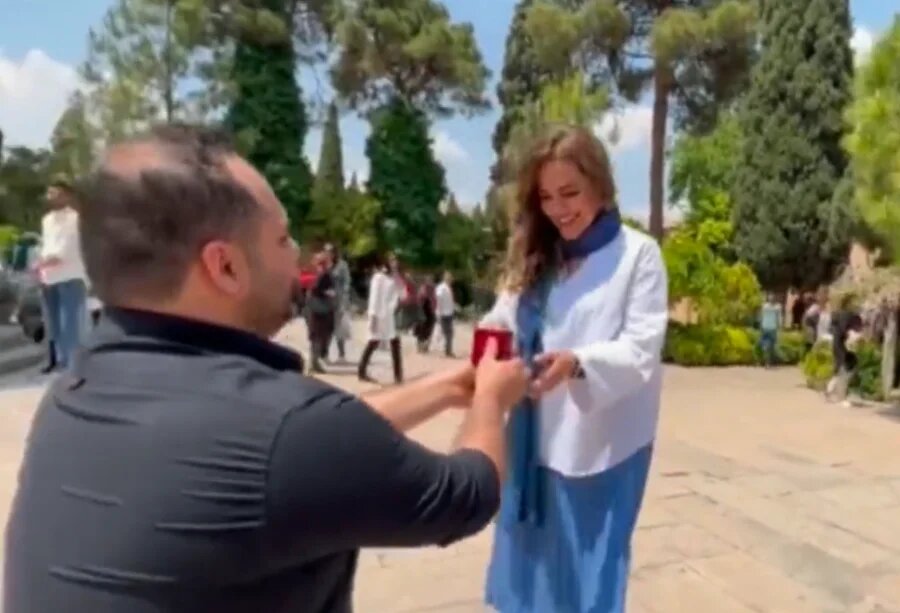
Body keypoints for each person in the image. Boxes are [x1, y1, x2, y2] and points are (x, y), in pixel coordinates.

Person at [5, 124, 531, 613]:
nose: (297, 253)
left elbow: (306, 442)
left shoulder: (76, 390)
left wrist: (444, 387)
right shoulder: (290, 429)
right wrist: (491, 398)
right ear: (225, 266)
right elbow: (468, 494)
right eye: (282, 239)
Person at [480, 125, 668, 613]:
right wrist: (489, 346)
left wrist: (577, 363)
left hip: (604, 444)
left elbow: (642, 347)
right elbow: (503, 316)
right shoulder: (540, 258)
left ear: (600, 186)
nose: (559, 209)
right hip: (534, 439)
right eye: (546, 196)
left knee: (591, 573)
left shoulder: (638, 255)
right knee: (532, 571)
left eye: (570, 193)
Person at [38, 178, 88, 370]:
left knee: (71, 326)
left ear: (67, 195)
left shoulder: (75, 219)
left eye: (57, 193)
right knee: (55, 327)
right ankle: (63, 365)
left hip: (70, 276)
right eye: (50, 193)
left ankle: (75, 367)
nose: (52, 197)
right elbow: (46, 246)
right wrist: (41, 268)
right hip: (49, 278)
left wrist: (45, 262)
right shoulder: (47, 220)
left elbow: (64, 249)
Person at [359, 255, 403, 383]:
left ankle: (398, 376)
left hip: (390, 317)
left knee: (395, 343)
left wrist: (397, 277)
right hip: (379, 315)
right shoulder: (378, 277)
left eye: (396, 260)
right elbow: (374, 298)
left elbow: (403, 294)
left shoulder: (394, 278)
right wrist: (373, 316)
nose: (394, 263)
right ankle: (361, 371)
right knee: (373, 343)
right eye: (392, 260)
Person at [306, 250, 336, 374]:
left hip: (316, 309)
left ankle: (314, 362)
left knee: (316, 336)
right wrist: (328, 292)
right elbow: (317, 289)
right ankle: (314, 363)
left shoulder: (320, 273)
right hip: (321, 310)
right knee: (318, 336)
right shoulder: (324, 274)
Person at [325, 243, 351, 362]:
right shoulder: (325, 265)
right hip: (326, 300)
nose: (328, 254)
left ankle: (342, 355)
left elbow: (347, 282)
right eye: (326, 252)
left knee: (339, 328)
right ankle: (324, 354)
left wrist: (343, 298)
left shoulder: (342, 265)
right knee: (326, 328)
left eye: (330, 252)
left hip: (339, 300)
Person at [435, 271, 456, 357]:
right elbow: (438, 299)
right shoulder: (441, 288)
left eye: (451, 278)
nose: (450, 280)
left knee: (449, 333)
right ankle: (447, 350)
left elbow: (450, 301)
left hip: (449, 313)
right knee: (446, 332)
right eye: (449, 278)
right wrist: (438, 312)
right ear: (445, 278)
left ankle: (448, 350)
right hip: (443, 313)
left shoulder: (448, 288)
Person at [413, 276, 437, 353]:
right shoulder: (423, 289)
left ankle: (424, 346)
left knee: (429, 329)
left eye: (431, 280)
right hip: (423, 311)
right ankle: (420, 346)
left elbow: (435, 301)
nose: (430, 282)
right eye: (428, 280)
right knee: (422, 329)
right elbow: (419, 301)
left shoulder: (432, 290)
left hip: (430, 312)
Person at [759, 293, 783, 367]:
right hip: (769, 327)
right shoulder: (775, 307)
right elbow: (762, 316)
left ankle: (767, 361)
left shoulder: (767, 306)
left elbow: (761, 316)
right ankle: (768, 361)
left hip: (769, 327)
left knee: (769, 345)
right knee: (769, 345)